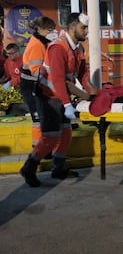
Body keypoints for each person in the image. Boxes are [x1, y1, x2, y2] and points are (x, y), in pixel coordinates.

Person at [19, 12, 90, 187]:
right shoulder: (58, 47)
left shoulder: (78, 48)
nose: (87, 31)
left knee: (66, 133)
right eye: (84, 27)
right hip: (49, 96)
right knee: (50, 137)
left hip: (60, 95)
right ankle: (29, 167)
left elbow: (81, 73)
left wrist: (92, 91)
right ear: (72, 26)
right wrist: (67, 104)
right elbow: (57, 78)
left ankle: (58, 168)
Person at [20, 16, 57, 149]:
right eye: (50, 30)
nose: (53, 32)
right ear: (41, 29)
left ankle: (42, 149)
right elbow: (36, 71)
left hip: (34, 85)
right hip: (31, 86)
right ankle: (39, 150)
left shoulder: (41, 42)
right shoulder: (37, 45)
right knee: (38, 118)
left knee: (43, 116)